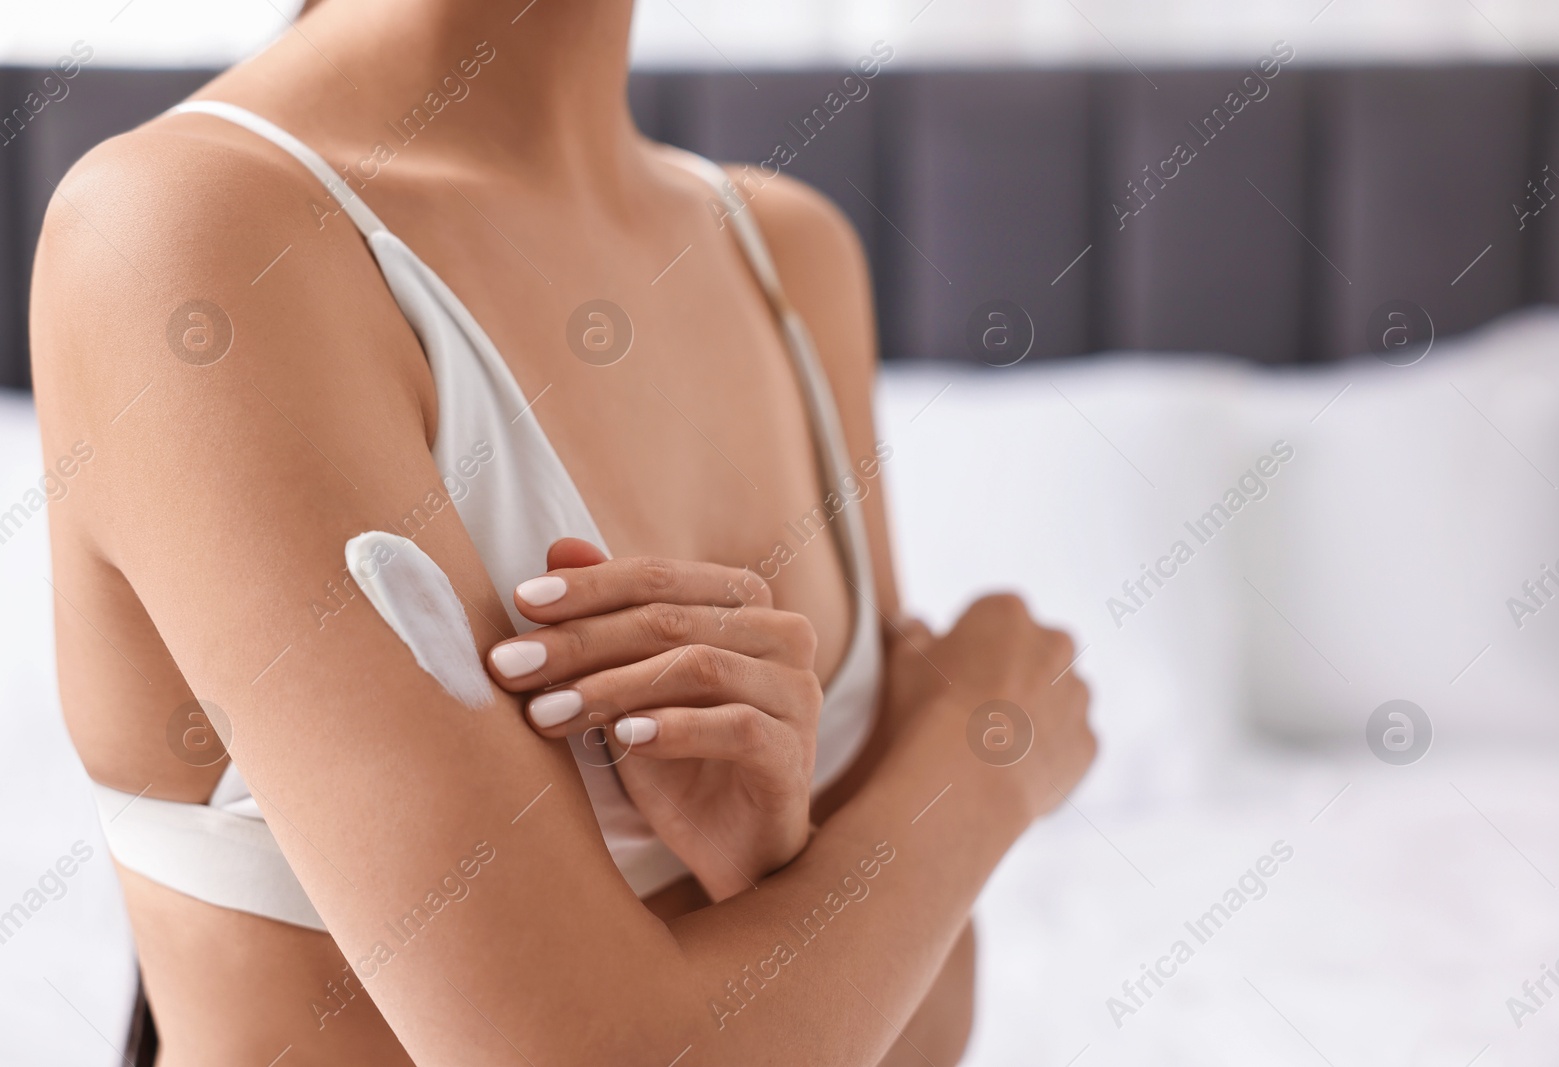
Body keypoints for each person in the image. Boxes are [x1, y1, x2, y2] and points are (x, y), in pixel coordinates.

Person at [29, 1, 1095, 1063]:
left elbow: (918, 1029)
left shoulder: (784, 251)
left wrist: (772, 869)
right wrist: (976, 763)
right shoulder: (191, 230)